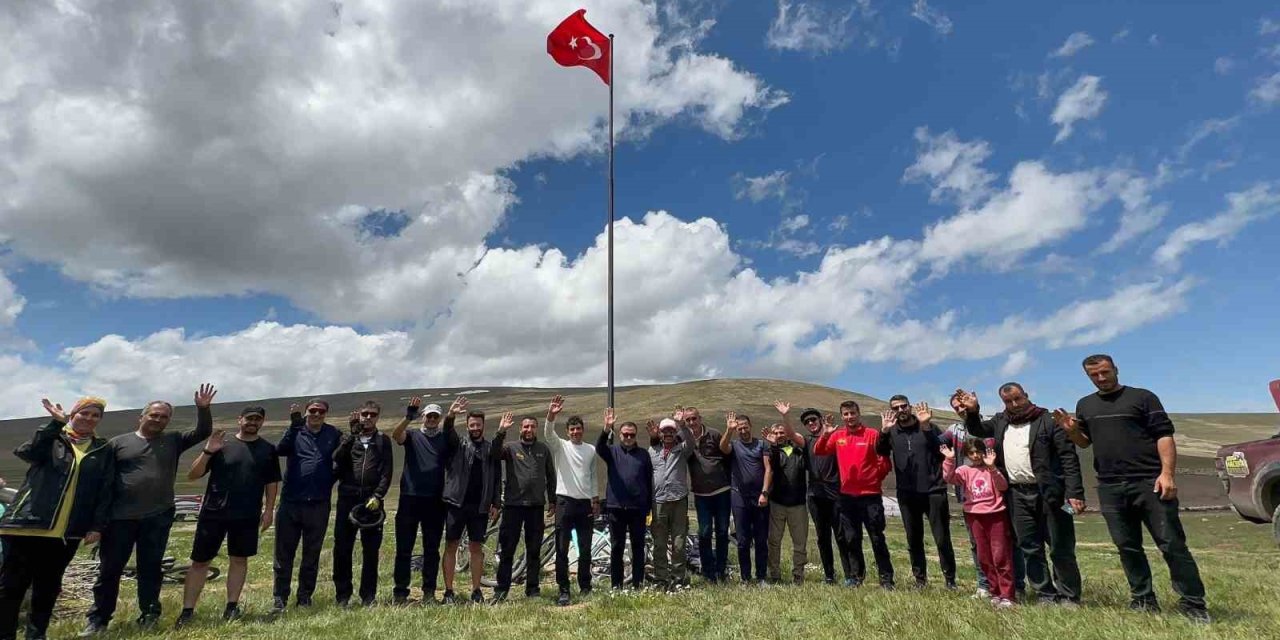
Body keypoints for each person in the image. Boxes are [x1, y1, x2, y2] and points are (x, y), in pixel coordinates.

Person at [1055, 354, 1209, 622]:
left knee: (1172, 544)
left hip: (1149, 482)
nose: (1101, 378)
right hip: (1110, 486)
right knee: (1127, 546)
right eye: (1094, 375)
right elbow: (1085, 442)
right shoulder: (1085, 404)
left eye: (1105, 372)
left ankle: (1193, 603)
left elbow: (1164, 435)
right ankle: (1143, 600)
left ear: (1115, 369)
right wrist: (1071, 431)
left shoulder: (1143, 397)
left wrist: (1167, 474)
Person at [84, 385, 216, 635]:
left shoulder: (173, 440)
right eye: (154, 415)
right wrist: (98, 522)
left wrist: (203, 409)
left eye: (164, 417)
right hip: (120, 517)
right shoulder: (118, 443)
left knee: (151, 568)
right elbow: (104, 484)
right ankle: (98, 619)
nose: (158, 420)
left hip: (157, 515)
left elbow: (203, 432)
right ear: (142, 416)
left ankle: (149, 614)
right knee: (110, 569)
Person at [955, 384, 1084, 606]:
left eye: (1018, 398)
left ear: (1026, 395)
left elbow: (1068, 458)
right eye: (1008, 401)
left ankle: (1069, 595)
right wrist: (973, 410)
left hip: (1053, 494)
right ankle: (1045, 594)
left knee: (1060, 545)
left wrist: (1075, 492)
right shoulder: (1000, 421)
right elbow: (977, 429)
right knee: (1029, 546)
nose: (1014, 404)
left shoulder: (1049, 420)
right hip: (1016, 495)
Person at [0, 397, 114, 640]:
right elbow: (28, 452)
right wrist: (54, 424)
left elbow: (105, 490)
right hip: (26, 525)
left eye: (95, 415)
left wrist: (97, 525)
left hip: (66, 533)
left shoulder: (102, 449)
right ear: (73, 414)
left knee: (48, 588)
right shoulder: (54, 438)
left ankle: (37, 635)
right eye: (84, 413)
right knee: (11, 586)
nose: (89, 418)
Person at [176, 406, 281, 627]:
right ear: (239, 419)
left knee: (239, 559)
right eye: (249, 418)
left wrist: (269, 509)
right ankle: (187, 611)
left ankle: (232, 607)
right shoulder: (221, 444)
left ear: (262, 422)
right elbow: (193, 474)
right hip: (214, 512)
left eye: (258, 419)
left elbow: (271, 482)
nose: (253, 422)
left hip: (247, 514)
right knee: (200, 561)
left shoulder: (268, 449)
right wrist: (207, 451)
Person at [875, 396, 956, 590]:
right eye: (896, 408)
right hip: (907, 493)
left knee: (942, 538)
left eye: (904, 406)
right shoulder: (892, 431)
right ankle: (920, 581)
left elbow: (941, 451)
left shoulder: (929, 427)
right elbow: (881, 451)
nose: (900, 410)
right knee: (913, 539)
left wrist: (926, 427)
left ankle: (950, 581)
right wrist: (884, 431)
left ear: (910, 407)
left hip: (934, 491)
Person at [813, 400, 894, 589]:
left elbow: (884, 461)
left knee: (877, 538)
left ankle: (886, 579)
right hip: (847, 497)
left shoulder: (872, 434)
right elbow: (819, 450)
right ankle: (857, 577)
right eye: (846, 414)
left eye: (852, 413)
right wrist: (826, 433)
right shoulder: (838, 435)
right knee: (851, 538)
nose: (849, 417)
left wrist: (874, 477)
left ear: (859, 413)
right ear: (842, 416)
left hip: (870, 496)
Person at [272, 398, 341, 614]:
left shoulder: (333, 434)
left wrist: (330, 479)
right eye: (312, 410)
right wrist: (293, 426)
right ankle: (280, 598)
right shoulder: (297, 431)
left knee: (311, 554)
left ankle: (304, 598)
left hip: (318, 504)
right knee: (283, 554)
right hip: (291, 502)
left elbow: (344, 457)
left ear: (326, 414)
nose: (316, 414)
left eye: (321, 411)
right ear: (306, 412)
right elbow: (280, 450)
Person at [391, 398, 462, 605]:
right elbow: (396, 435)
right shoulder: (412, 435)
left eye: (435, 417)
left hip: (435, 501)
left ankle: (429, 592)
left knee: (431, 549)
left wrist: (452, 416)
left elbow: (455, 445)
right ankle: (400, 593)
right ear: (423, 417)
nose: (431, 419)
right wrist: (408, 417)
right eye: (428, 416)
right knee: (404, 548)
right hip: (409, 498)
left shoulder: (444, 438)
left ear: (439, 419)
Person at [332, 401, 394, 607]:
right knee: (342, 548)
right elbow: (336, 459)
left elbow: (387, 471)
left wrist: (378, 495)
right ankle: (343, 595)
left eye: (372, 414)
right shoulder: (347, 438)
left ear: (377, 417)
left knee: (371, 550)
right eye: (365, 414)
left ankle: (368, 596)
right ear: (359, 415)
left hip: (371, 501)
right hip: (347, 499)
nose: (368, 417)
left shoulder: (383, 440)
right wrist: (351, 436)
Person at [942, 440, 1015, 609]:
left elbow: (1003, 486)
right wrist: (949, 459)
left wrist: (992, 468)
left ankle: (1007, 594)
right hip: (974, 515)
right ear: (967, 455)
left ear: (984, 452)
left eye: (978, 452)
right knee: (984, 556)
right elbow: (949, 478)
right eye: (971, 453)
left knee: (1000, 555)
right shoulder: (965, 470)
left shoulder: (991, 469)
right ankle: (995, 592)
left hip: (995, 514)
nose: (975, 456)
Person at [491, 413, 556, 602]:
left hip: (536, 507)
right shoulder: (510, 448)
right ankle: (501, 590)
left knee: (534, 551)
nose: (529, 430)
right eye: (526, 426)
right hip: (513, 506)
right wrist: (501, 431)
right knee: (507, 550)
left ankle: (533, 589)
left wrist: (552, 500)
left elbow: (551, 476)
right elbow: (494, 453)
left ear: (536, 429)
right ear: (520, 428)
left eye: (532, 427)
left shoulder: (543, 449)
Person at [543, 396, 600, 606]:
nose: (576, 432)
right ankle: (564, 589)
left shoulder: (591, 450)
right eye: (572, 429)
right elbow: (548, 433)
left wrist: (595, 499)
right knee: (562, 549)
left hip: (585, 504)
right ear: (567, 432)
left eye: (578, 429)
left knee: (585, 549)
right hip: (564, 502)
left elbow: (593, 475)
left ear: (583, 430)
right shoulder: (561, 446)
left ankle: (585, 585)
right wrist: (551, 415)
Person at [441, 399, 498, 605]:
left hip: (480, 506)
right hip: (456, 503)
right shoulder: (458, 445)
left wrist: (496, 503)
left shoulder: (490, 449)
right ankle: (449, 591)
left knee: (476, 548)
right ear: (467, 426)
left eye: (478, 425)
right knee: (451, 545)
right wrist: (451, 415)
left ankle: (476, 591)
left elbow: (496, 477)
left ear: (483, 425)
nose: (475, 428)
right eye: (472, 425)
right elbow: (448, 431)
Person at [939, 395, 992, 599]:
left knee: (1004, 542)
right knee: (977, 543)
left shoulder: (991, 424)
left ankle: (1014, 585)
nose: (961, 409)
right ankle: (984, 585)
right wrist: (924, 425)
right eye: (956, 407)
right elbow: (933, 444)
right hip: (970, 497)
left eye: (963, 405)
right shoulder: (954, 430)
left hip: (996, 494)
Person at [595, 409, 653, 590]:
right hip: (616, 507)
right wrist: (606, 429)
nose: (628, 437)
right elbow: (599, 447)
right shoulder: (611, 451)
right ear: (619, 435)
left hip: (637, 509)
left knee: (638, 547)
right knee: (616, 547)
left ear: (636, 436)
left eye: (631, 435)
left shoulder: (643, 454)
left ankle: (638, 584)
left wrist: (648, 507)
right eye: (625, 434)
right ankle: (616, 585)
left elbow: (648, 481)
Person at [799, 407, 853, 585]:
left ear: (821, 420)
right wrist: (784, 416)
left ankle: (850, 575)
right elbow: (791, 435)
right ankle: (829, 576)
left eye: (813, 419)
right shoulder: (807, 441)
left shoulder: (836, 436)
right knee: (823, 537)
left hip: (836, 493)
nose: (811, 423)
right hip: (815, 494)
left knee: (841, 535)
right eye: (807, 422)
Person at [719, 412, 770, 585]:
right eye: (739, 429)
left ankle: (761, 577)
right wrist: (729, 430)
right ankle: (745, 578)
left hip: (759, 497)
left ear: (750, 426)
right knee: (742, 540)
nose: (743, 431)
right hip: (739, 497)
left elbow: (768, 469)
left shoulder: (761, 444)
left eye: (745, 427)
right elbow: (723, 447)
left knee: (761, 539)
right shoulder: (734, 445)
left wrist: (765, 492)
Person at [761, 404, 809, 585]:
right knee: (774, 541)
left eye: (782, 432)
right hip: (777, 503)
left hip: (798, 504)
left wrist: (786, 417)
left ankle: (798, 575)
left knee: (800, 543)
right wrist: (773, 446)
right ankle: (774, 574)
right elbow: (772, 466)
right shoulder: (770, 451)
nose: (779, 435)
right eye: (776, 433)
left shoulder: (799, 449)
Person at [647, 413, 695, 591]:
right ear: (660, 434)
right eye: (664, 431)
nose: (668, 434)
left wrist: (682, 424)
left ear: (675, 433)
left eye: (671, 431)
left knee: (679, 543)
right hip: (658, 501)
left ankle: (678, 578)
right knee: (659, 542)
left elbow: (691, 441)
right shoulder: (652, 451)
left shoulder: (682, 449)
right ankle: (661, 578)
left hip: (678, 500)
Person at [683, 407, 731, 584]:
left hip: (721, 491)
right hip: (701, 494)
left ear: (700, 418)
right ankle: (708, 572)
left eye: (694, 418)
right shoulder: (684, 438)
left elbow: (727, 454)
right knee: (704, 533)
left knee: (722, 531)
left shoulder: (714, 434)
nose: (691, 423)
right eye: (688, 420)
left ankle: (721, 570)